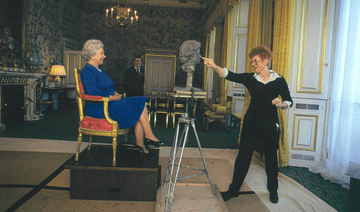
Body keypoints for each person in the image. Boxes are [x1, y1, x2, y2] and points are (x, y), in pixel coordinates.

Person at [203, 45, 293, 204]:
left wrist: (281, 104)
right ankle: (233, 190)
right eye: (252, 61)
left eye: (255, 61)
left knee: (271, 160)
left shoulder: (279, 80)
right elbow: (229, 75)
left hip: (270, 125)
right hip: (251, 123)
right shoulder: (250, 78)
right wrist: (215, 66)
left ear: (266, 61)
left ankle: (273, 191)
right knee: (243, 158)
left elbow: (288, 101)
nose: (253, 64)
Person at [80, 39, 164, 154]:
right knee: (139, 103)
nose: (104, 56)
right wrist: (110, 97)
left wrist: (114, 93)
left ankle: (141, 144)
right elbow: (92, 92)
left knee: (139, 108)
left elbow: (106, 88)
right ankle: (148, 137)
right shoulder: (88, 71)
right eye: (101, 53)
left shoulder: (99, 70)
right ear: (92, 55)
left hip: (110, 102)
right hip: (100, 107)